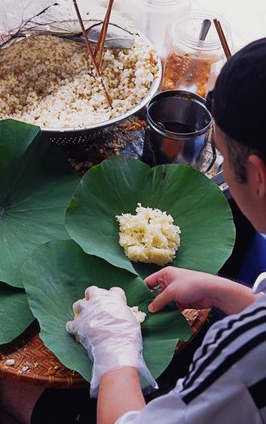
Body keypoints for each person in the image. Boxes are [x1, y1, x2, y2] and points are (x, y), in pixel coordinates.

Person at [65, 37, 266, 424]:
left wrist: (115, 347)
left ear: (257, 175)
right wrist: (223, 290)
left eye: (220, 154)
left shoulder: (246, 356)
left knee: (20, 398)